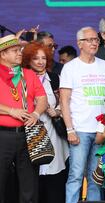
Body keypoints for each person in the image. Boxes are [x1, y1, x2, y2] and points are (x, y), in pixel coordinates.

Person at [60, 27, 105, 203]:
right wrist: (70, 129)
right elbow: (64, 101)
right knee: (75, 176)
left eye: (96, 40)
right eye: (90, 40)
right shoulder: (70, 67)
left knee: (96, 178)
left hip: (101, 131)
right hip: (80, 130)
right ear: (79, 43)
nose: (94, 43)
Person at [0, 34, 47, 203]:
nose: (20, 53)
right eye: (14, 50)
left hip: (27, 133)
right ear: (3, 54)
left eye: (19, 49)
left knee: (30, 182)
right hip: (2, 135)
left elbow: (42, 98)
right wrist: (11, 111)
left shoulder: (28, 74)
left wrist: (36, 114)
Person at [22, 42, 69, 203]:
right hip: (28, 134)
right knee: (31, 180)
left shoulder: (55, 78)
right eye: (36, 58)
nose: (40, 61)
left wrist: (56, 112)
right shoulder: (20, 79)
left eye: (44, 58)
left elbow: (67, 105)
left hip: (52, 133)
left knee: (54, 180)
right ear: (28, 60)